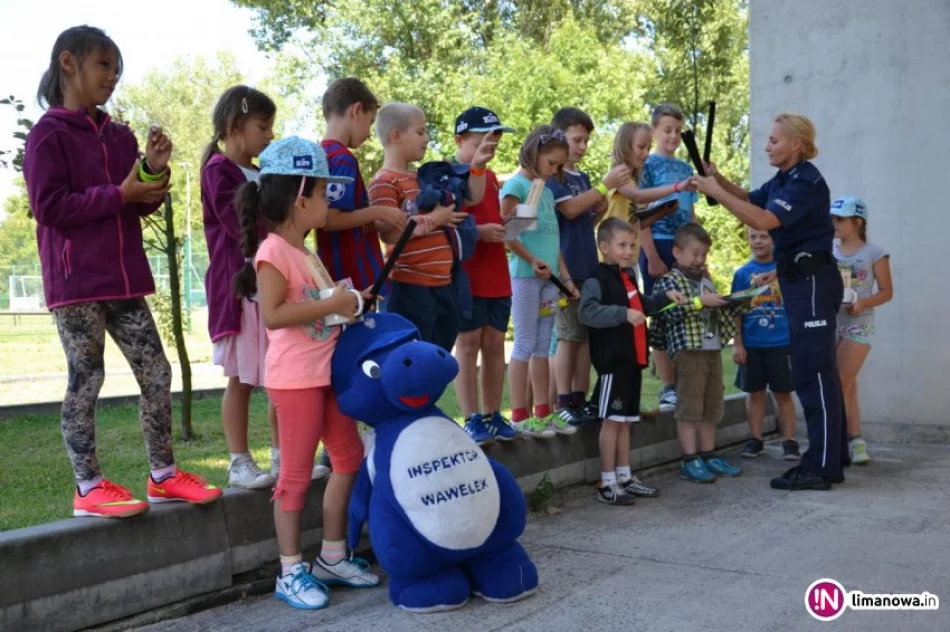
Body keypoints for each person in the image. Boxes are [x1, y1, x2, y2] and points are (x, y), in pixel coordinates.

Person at [24, 26, 225, 518]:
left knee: (157, 372)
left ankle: (162, 476)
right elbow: (49, 206)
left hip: (125, 280)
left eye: (117, 69)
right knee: (86, 378)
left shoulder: (119, 136)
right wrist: (121, 194)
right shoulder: (47, 135)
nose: (113, 77)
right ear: (69, 64)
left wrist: (153, 171)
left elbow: (138, 205)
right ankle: (87, 486)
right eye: (104, 66)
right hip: (76, 285)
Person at [234, 136, 379, 610]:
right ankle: (290, 569)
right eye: (322, 193)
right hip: (295, 379)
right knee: (294, 477)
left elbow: (317, 308)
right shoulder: (274, 251)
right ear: (301, 199)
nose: (328, 202)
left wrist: (346, 303)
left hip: (326, 372)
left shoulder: (306, 252)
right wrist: (333, 302)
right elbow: (274, 314)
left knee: (348, 456)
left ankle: (333, 556)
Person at [692, 112, 848, 491]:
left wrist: (714, 192)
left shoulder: (806, 181)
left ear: (796, 144)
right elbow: (748, 199)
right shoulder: (784, 180)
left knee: (812, 374)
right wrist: (719, 181)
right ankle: (833, 454)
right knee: (818, 372)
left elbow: (763, 220)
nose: (766, 146)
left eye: (774, 141)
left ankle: (821, 466)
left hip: (812, 283)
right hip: (800, 282)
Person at [313, 78, 408, 479]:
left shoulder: (326, 156)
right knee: (360, 363)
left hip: (351, 280)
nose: (370, 135)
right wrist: (378, 214)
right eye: (370, 123)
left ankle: (343, 444)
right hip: (352, 281)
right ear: (355, 111)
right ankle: (346, 445)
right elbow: (329, 219)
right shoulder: (339, 158)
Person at [200, 85, 279, 489]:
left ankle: (283, 456)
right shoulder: (218, 171)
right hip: (242, 290)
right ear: (235, 125)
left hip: (272, 285)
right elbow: (240, 225)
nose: (269, 136)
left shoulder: (262, 171)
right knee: (243, 379)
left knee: (283, 372)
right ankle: (239, 461)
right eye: (262, 126)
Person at [368, 102, 494, 351]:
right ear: (395, 135)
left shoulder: (424, 177)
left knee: (439, 359)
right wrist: (437, 219)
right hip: (409, 288)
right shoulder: (384, 182)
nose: (427, 138)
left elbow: (471, 198)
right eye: (420, 132)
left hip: (444, 286)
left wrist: (477, 167)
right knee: (414, 361)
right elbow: (388, 233)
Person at [579, 218, 683, 504]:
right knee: (612, 423)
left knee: (625, 422)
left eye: (632, 245)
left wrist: (665, 297)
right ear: (604, 247)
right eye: (621, 245)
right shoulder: (596, 280)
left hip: (633, 363)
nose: (629, 251)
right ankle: (606, 481)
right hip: (613, 364)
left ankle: (624, 477)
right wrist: (622, 315)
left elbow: (642, 306)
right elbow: (587, 313)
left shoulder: (627, 277)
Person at [547, 108, 631, 427]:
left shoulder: (580, 177)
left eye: (586, 140)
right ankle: (563, 399)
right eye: (576, 139)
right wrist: (603, 187)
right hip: (564, 270)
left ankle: (579, 399)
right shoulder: (554, 176)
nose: (582, 146)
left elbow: (583, 219)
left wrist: (598, 210)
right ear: (559, 138)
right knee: (568, 336)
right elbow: (568, 211)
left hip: (586, 267)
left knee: (584, 336)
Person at [450, 107, 522, 445]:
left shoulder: (491, 176)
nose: (491, 143)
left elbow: (491, 215)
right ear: (460, 139)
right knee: (467, 344)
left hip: (497, 271)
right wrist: (479, 232)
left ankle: (493, 415)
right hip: (469, 272)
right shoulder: (447, 173)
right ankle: (471, 418)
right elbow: (449, 225)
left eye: (495, 137)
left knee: (495, 344)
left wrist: (509, 226)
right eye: (483, 137)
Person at [651, 224, 744, 483]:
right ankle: (689, 459)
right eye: (694, 253)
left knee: (711, 404)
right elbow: (668, 312)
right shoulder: (669, 281)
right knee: (690, 405)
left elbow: (713, 311)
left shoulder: (705, 281)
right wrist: (700, 302)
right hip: (688, 351)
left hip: (712, 348)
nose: (699, 260)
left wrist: (736, 300)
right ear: (677, 251)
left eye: (703, 255)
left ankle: (709, 454)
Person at [502, 125, 577, 438]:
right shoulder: (517, 186)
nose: (554, 171)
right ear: (534, 154)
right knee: (524, 343)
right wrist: (532, 261)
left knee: (544, 345)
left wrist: (566, 277)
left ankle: (543, 413)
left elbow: (552, 239)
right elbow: (507, 233)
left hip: (550, 280)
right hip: (525, 277)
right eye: (551, 163)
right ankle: (520, 416)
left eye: (559, 165)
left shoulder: (545, 191)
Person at [638, 104, 701, 412]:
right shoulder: (647, 166)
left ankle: (686, 382)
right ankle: (667, 387)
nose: (673, 136)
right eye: (667, 130)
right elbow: (640, 215)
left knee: (687, 311)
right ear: (654, 132)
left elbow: (691, 212)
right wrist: (650, 255)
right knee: (661, 314)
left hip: (684, 247)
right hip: (658, 245)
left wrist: (699, 252)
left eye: (677, 130)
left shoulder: (687, 169)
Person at [831, 196, 893, 465]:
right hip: (832, 324)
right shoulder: (828, 251)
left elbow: (887, 291)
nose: (835, 224)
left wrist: (863, 303)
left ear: (857, 222)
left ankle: (837, 443)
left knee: (840, 383)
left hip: (860, 324)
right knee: (849, 386)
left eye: (840, 219)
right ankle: (856, 442)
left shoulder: (874, 253)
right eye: (833, 218)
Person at [732, 228, 800, 460]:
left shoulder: (784, 271)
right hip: (753, 344)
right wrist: (738, 343)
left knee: (783, 393)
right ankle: (755, 439)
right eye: (753, 237)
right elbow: (736, 311)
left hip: (782, 342)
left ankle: (789, 440)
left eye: (763, 236)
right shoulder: (742, 274)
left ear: (773, 240)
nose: (758, 241)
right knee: (755, 393)